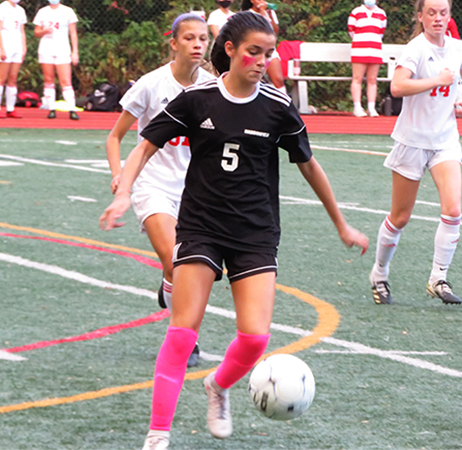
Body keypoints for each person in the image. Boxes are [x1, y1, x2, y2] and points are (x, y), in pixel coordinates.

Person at [99, 11, 369, 450]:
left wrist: (342, 223)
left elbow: (309, 166)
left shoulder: (277, 107)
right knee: (182, 329)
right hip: (201, 225)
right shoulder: (198, 98)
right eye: (253, 52)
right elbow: (146, 142)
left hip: (255, 231)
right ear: (230, 50)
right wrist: (124, 191)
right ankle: (158, 433)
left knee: (255, 336)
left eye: (268, 53)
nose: (263, 61)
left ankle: (218, 387)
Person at [105, 13, 214, 368]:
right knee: (177, 262)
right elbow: (115, 137)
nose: (197, 44)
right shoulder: (152, 85)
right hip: (153, 187)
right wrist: (120, 176)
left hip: (194, 191)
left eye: (202, 38)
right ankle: (186, 338)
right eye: (189, 39)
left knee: (190, 270)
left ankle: (169, 289)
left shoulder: (212, 86)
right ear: (173, 43)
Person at [368, 0, 462, 306]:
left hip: (445, 141)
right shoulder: (415, 48)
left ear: (449, 16)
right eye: (431, 12)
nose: (438, 18)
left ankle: (437, 278)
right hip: (412, 141)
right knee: (400, 217)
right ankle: (379, 274)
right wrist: (437, 81)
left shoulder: (457, 48)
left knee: (453, 210)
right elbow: (397, 87)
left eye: (443, 12)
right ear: (421, 16)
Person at [33, 0, 80, 120]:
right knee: (49, 79)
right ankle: (51, 109)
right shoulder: (43, 11)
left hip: (63, 49)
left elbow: (73, 33)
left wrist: (75, 52)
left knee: (66, 80)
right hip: (46, 49)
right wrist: (44, 31)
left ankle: (72, 109)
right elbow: (36, 32)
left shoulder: (67, 11)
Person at [348, 0, 387, 117]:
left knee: (372, 80)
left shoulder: (381, 13)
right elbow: (351, 30)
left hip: (375, 50)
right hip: (359, 49)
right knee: (357, 78)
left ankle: (371, 107)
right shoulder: (356, 12)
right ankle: (357, 107)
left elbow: (381, 32)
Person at [0, 0, 27, 119]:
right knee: (1, 77)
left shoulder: (21, 10)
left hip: (17, 47)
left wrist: (24, 47)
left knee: (13, 78)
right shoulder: (2, 8)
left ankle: (10, 108)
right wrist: (2, 48)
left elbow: (22, 31)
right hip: (5, 46)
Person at [241, 0, 286, 93]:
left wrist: (268, 14)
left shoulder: (270, 12)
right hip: (254, 51)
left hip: (269, 50)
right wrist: (261, 12)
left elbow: (275, 31)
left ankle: (284, 104)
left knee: (278, 79)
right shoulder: (247, 14)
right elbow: (257, 31)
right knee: (253, 80)